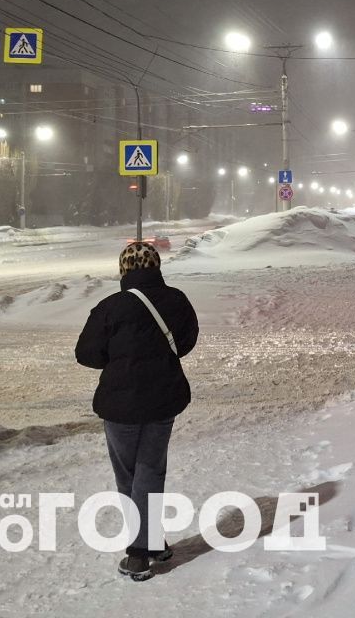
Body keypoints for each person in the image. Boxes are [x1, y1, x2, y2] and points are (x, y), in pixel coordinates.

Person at [75, 242, 199, 582]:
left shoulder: (109, 307)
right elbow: (186, 343)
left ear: (123, 270)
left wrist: (119, 360)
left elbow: (86, 354)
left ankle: (138, 553)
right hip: (163, 399)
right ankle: (152, 540)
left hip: (119, 405)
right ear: (157, 266)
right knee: (150, 470)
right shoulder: (176, 300)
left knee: (130, 475)